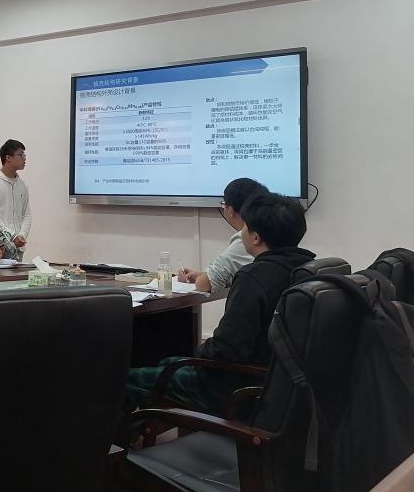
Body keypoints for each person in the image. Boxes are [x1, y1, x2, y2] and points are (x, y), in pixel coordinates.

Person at [125, 192, 315, 417]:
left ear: (255, 237)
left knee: (126, 379)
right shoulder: (309, 269)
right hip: (278, 388)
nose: (241, 232)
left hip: (233, 390)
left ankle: (122, 438)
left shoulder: (253, 277)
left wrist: (199, 351)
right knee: (168, 362)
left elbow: (226, 350)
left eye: (244, 227)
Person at [179, 178, 270, 292]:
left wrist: (202, 278)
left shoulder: (247, 239)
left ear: (230, 211)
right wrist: (201, 275)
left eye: (223, 204)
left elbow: (205, 284)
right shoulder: (271, 231)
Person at [0, 139, 32, 252]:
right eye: (21, 155)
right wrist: (11, 236)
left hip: (18, 246)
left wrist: (21, 236)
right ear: (8, 157)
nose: (24, 158)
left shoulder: (22, 185)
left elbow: (27, 214)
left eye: (25, 155)